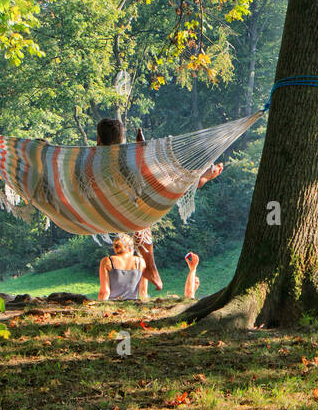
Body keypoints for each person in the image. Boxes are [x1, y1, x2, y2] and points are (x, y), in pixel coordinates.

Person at [96, 116, 224, 296]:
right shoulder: (119, 156)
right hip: (125, 203)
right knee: (151, 194)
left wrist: (139, 149)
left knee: (144, 196)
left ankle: (197, 178)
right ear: (122, 139)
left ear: (98, 139)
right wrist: (140, 149)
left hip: (110, 204)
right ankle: (197, 178)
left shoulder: (91, 156)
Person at [98, 233, 151, 302]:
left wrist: (100, 307)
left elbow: (104, 292)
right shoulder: (140, 262)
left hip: (112, 306)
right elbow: (143, 292)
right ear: (131, 246)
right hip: (131, 307)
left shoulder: (107, 261)